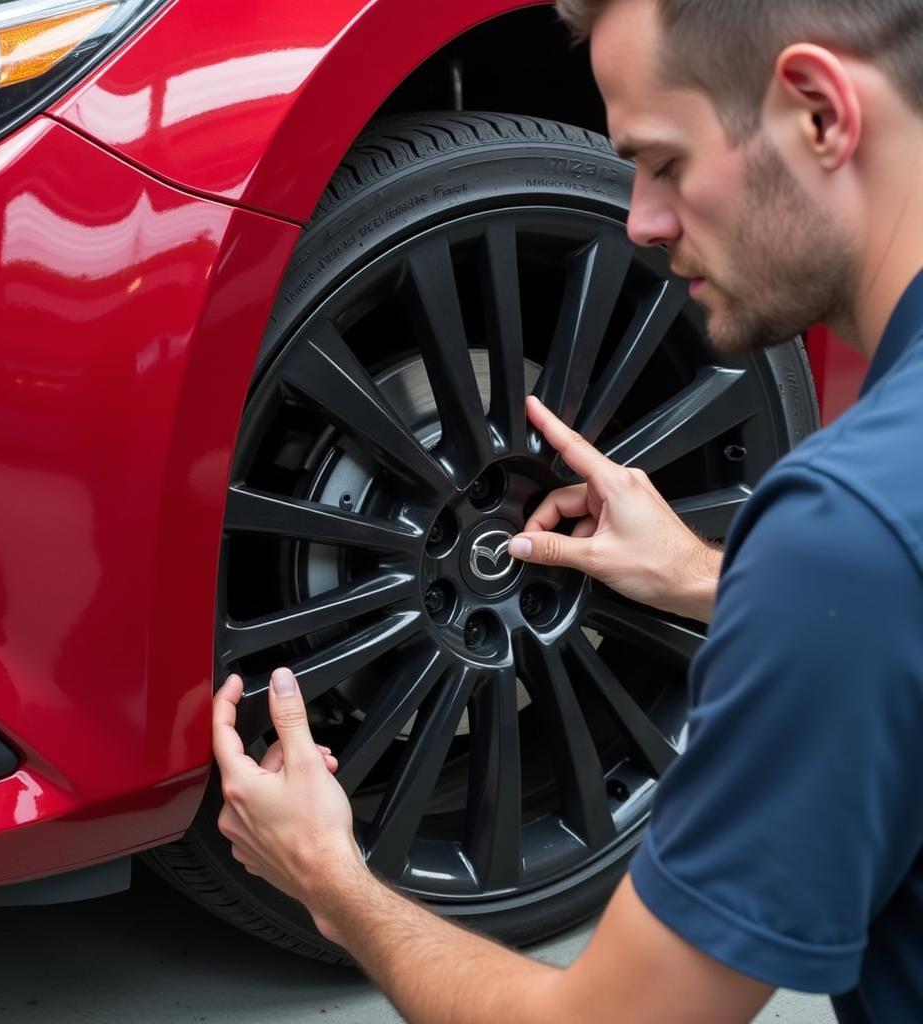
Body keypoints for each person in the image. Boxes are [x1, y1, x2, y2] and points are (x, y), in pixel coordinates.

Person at [212, 0, 923, 1020]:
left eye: (664, 162)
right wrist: (704, 579)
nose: (637, 219)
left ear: (817, 114)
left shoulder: (844, 535)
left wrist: (332, 878)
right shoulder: (868, 546)